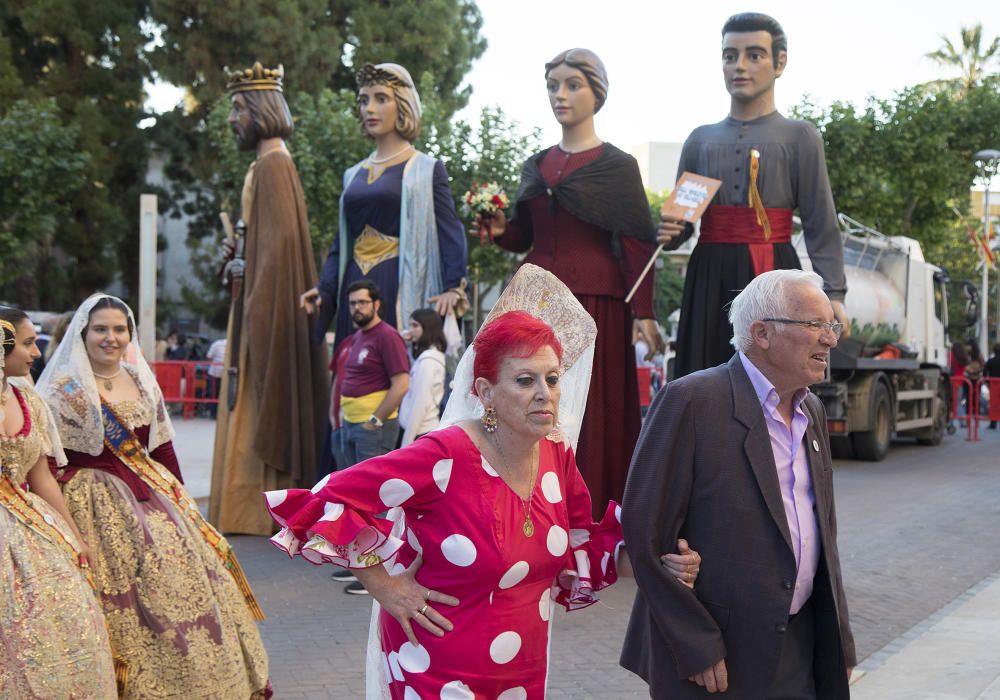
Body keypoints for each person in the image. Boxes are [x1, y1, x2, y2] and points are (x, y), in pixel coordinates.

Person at [264, 264, 699, 698]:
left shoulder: (556, 455)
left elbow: (580, 545)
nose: (545, 392)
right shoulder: (444, 456)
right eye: (525, 380)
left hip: (521, 674)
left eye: (551, 378)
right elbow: (326, 496)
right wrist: (386, 587)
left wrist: (656, 563)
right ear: (486, 392)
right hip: (436, 670)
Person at [621, 269, 856, 698]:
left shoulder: (813, 411)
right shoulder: (692, 400)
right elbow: (644, 530)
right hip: (717, 658)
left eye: (832, 325)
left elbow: (822, 536)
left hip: (800, 648)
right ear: (762, 333)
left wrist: (837, 641)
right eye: (815, 325)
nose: (830, 339)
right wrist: (696, 645)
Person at [37, 294, 271, 699]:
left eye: (119, 329)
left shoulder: (140, 377)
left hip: (155, 500)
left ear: (130, 334)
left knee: (183, 595)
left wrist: (185, 509)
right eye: (101, 330)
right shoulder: (62, 390)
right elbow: (46, 460)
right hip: (94, 509)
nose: (110, 338)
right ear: (83, 334)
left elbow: (161, 448)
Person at [481, 48, 664, 516]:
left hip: (595, 305)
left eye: (573, 85)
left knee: (592, 406)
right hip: (534, 301)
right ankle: (524, 500)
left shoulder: (617, 165)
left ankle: (589, 511)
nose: (560, 95)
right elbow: (523, 235)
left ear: (597, 92)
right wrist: (499, 228)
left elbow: (637, 243)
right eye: (553, 86)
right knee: (526, 401)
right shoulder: (535, 164)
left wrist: (643, 312)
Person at [657, 13, 848, 378]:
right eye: (730, 56)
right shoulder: (699, 139)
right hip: (708, 272)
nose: (739, 66)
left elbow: (820, 222)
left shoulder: (800, 137)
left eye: (754, 55)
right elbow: (683, 218)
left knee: (773, 377)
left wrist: (834, 293)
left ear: (780, 62)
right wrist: (671, 232)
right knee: (704, 375)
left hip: (774, 269)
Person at [211, 61, 328, 535]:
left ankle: (261, 508)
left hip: (265, 305)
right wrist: (238, 254)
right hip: (255, 299)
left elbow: (279, 250)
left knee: (261, 404)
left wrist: (254, 282)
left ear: (261, 109)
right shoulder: (266, 164)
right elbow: (262, 242)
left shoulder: (276, 164)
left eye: (239, 108)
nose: (233, 118)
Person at [301, 62, 468, 345]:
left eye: (381, 98)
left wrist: (455, 287)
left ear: (403, 104)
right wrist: (326, 289)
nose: (369, 108)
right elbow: (341, 244)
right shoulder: (352, 174)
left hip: (398, 283)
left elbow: (450, 231)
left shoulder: (426, 169)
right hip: (354, 285)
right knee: (352, 368)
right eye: (364, 100)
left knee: (393, 368)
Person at [0, 307, 117, 698]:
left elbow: (41, 477)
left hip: (28, 523)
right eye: (28, 343)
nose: (36, 353)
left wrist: (72, 534)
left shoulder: (28, 402)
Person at [338, 280, 410, 467]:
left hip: (374, 428)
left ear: (376, 304)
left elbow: (401, 384)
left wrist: (374, 421)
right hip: (349, 424)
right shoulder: (358, 336)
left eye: (362, 302)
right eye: (353, 303)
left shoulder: (387, 336)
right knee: (352, 488)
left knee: (370, 491)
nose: (357, 308)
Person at [398, 307, 447, 447]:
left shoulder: (428, 361)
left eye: (415, 325)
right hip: (420, 431)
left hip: (419, 433)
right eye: (409, 325)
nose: (410, 330)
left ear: (428, 328)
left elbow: (419, 404)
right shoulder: (429, 357)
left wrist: (406, 443)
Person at [206, 336, 227, 416]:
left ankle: (213, 413)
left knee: (213, 394)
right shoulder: (231, 344)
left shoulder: (216, 344)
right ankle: (222, 413)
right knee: (224, 394)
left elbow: (209, 356)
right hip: (225, 373)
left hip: (214, 372)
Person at [984, 342, 1000, 429]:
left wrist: (987, 382)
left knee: (994, 404)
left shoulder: (991, 361)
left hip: (993, 384)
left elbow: (984, 372)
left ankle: (993, 423)